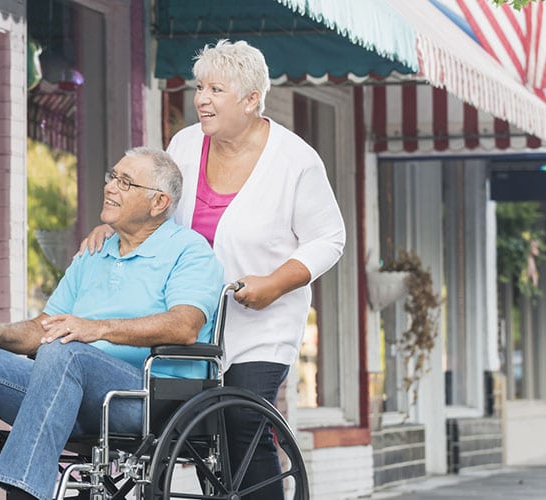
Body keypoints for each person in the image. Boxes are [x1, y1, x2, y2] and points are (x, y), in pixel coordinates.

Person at [81, 39, 345, 499]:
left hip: (258, 323)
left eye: (216, 89)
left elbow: (330, 239)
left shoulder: (295, 160)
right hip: (187, 318)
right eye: (200, 86)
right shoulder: (184, 144)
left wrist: (275, 282)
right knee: (199, 432)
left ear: (250, 100)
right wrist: (116, 227)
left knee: (241, 421)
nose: (201, 98)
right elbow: (154, 206)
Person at [0, 147, 224, 500]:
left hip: (147, 397)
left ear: (158, 203)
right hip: (65, 392)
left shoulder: (190, 251)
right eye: (113, 176)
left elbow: (185, 326)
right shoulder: (94, 254)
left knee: (67, 351)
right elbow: (46, 327)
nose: (110, 186)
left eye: (126, 182)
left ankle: (23, 493)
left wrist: (97, 329)